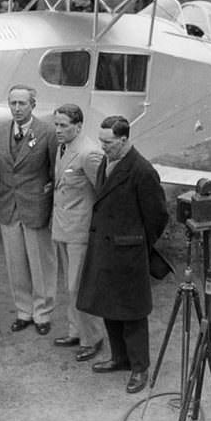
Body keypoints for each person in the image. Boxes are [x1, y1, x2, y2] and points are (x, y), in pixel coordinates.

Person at [76, 115, 169, 395]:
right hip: (106, 250)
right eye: (101, 141)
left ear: (124, 140)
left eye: (108, 142)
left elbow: (158, 216)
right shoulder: (109, 160)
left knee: (132, 313)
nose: (103, 148)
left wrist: (137, 244)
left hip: (128, 253)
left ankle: (140, 367)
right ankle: (120, 358)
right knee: (109, 307)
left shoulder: (142, 170)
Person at [0, 85, 57, 335]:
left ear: (33, 105)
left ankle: (42, 313)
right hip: (8, 206)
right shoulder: (0, 132)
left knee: (40, 263)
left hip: (36, 206)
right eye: (13, 103)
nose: (17, 109)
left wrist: (50, 206)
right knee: (15, 262)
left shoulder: (47, 133)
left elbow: (53, 172)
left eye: (22, 104)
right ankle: (23, 311)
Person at [50, 104, 105, 361]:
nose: (58, 130)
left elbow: (103, 193)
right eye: (56, 124)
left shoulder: (89, 153)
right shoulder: (64, 147)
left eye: (64, 125)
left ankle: (92, 338)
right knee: (68, 286)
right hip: (62, 226)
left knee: (78, 287)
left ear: (79, 126)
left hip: (80, 231)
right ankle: (75, 331)